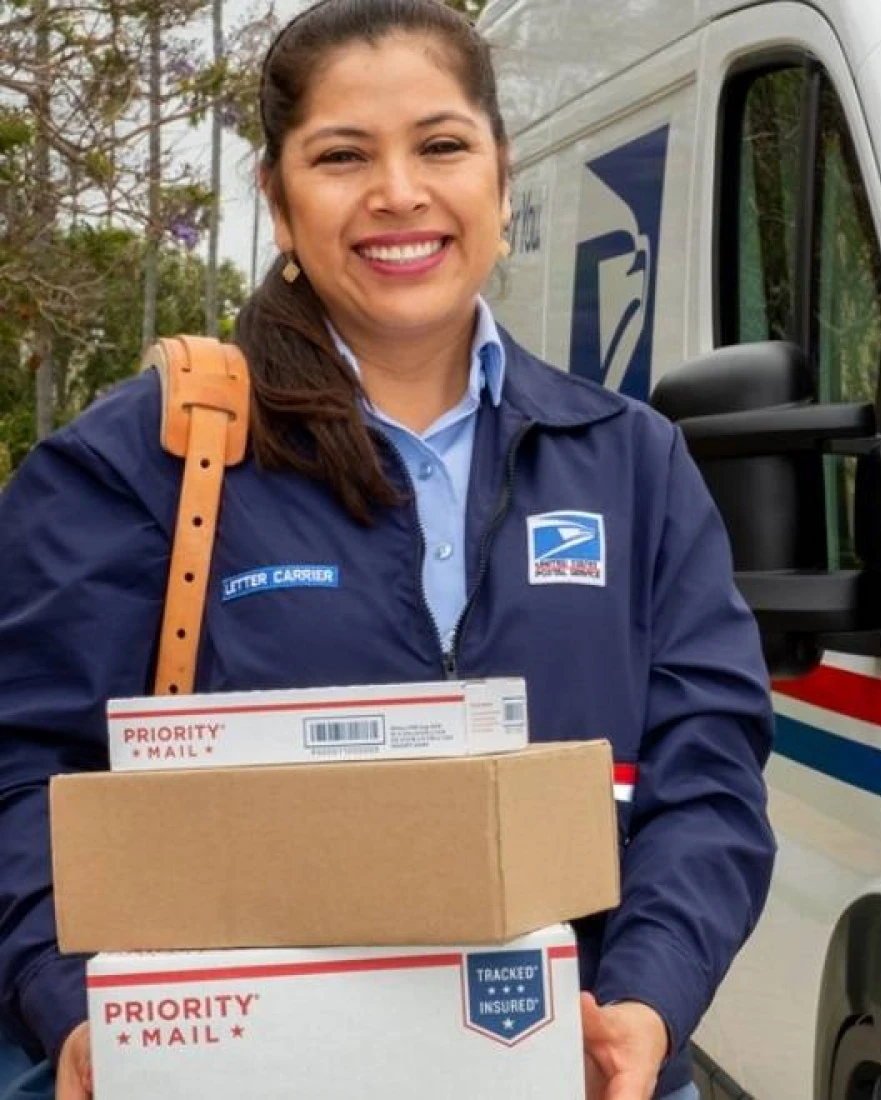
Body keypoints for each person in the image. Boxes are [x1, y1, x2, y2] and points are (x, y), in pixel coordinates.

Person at [0, 1, 776, 1097]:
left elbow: (708, 773)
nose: (399, 193)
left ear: (502, 182)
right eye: (341, 156)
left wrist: (646, 1000)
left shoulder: (630, 462)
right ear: (278, 202)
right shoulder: (148, 461)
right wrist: (76, 1007)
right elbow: (26, 769)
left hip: (571, 1063)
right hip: (242, 1073)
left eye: (442, 145)